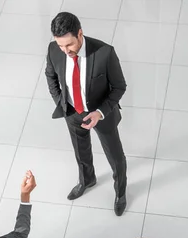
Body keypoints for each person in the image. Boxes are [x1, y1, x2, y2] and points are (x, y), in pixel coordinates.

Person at [45, 12, 127, 216]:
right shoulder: (54, 49)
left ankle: (120, 193)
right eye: (61, 46)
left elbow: (119, 87)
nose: (65, 51)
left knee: (116, 157)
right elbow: (50, 76)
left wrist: (100, 112)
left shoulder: (105, 53)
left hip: (101, 114)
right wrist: (62, 103)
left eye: (69, 45)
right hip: (72, 112)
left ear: (80, 34)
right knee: (80, 152)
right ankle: (87, 180)